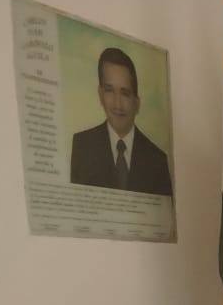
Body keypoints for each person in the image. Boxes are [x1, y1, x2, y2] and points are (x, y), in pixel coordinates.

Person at [70, 48, 173, 196]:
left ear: (137, 103)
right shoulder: (82, 147)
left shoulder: (157, 160)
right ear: (100, 95)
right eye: (109, 90)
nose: (117, 104)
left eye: (125, 93)